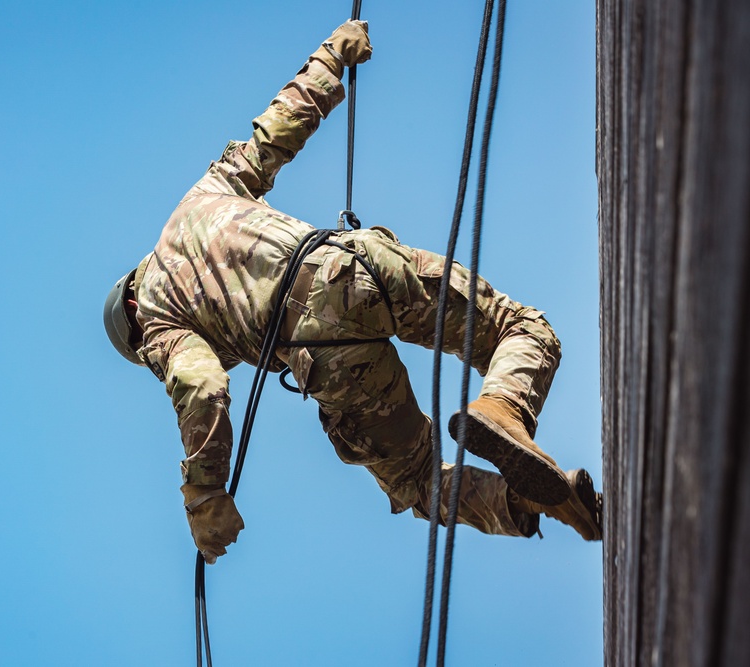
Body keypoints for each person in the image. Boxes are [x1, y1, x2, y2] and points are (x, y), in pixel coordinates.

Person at [103, 20, 602, 564]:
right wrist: (332, 56)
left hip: (327, 359)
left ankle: (521, 503)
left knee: (418, 481)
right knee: (522, 328)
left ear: (131, 309)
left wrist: (203, 496)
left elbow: (200, 388)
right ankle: (505, 407)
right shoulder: (198, 200)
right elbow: (276, 131)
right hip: (355, 270)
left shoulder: (154, 319)